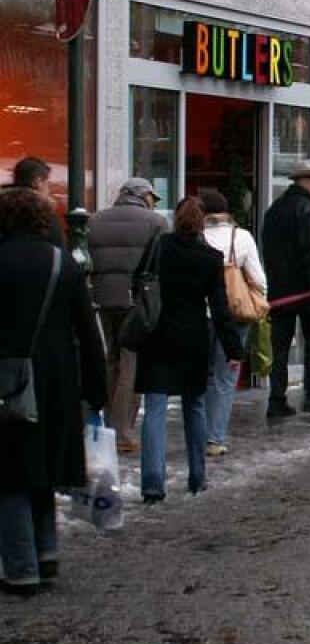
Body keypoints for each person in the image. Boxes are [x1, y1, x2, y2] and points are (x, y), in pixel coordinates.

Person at [0, 186, 106, 594]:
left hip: (9, 381)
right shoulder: (64, 263)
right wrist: (96, 389)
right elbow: (87, 329)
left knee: (10, 474)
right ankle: (46, 556)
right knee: (42, 469)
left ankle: (20, 568)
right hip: (58, 380)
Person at [134, 198, 245, 503]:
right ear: (201, 224)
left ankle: (153, 483)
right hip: (193, 338)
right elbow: (221, 309)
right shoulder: (210, 257)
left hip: (157, 337)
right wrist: (234, 347)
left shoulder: (159, 247)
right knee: (194, 406)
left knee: (154, 408)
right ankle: (197, 477)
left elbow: (137, 283)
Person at [86, 178, 168, 452]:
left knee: (112, 358)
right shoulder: (155, 223)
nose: (153, 203)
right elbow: (160, 267)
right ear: (142, 196)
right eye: (151, 198)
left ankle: (110, 425)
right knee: (130, 363)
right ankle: (121, 432)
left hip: (103, 298)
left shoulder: (96, 220)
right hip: (137, 301)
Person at [262, 160, 310, 417]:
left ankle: (276, 399)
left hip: (279, 291)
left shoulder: (275, 209)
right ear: (303, 181)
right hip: (304, 291)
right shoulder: (306, 209)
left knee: (279, 346)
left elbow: (268, 250)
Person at [201, 189, 267, 458]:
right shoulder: (241, 237)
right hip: (235, 314)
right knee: (225, 377)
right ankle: (215, 438)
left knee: (204, 375)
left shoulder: (196, 236)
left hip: (201, 315)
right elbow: (260, 280)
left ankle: (201, 432)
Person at [2, 157, 65, 248]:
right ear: (38, 182)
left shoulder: (3, 206)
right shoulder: (43, 211)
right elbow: (57, 244)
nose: (49, 189)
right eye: (47, 183)